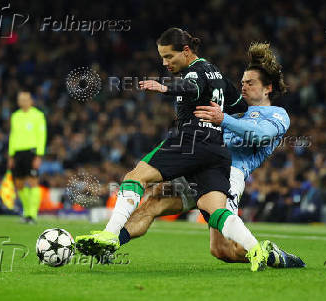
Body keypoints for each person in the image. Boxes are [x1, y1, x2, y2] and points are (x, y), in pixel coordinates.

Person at [76, 28, 273, 271]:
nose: (165, 62)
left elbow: (191, 87)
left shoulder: (196, 71)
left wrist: (165, 88)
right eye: (162, 57)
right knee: (214, 211)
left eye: (169, 56)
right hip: (216, 150)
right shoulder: (218, 75)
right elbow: (239, 105)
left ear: (187, 51)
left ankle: (109, 234)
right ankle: (256, 249)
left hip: (190, 140)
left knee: (135, 177)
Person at [104, 42, 305, 268]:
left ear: (268, 88)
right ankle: (108, 244)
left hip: (228, 175)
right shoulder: (231, 108)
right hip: (198, 166)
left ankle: (271, 255)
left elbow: (259, 136)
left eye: (250, 83)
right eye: (242, 83)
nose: (244, 87)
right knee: (153, 202)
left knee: (221, 250)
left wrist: (223, 120)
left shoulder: (277, 115)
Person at [8, 91, 46, 224]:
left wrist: (39, 155)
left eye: (25, 99)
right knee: (19, 185)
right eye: (21, 99)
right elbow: (12, 136)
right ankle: (27, 212)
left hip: (31, 152)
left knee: (33, 182)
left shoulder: (38, 115)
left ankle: (32, 215)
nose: (23, 102)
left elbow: (42, 136)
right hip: (18, 153)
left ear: (31, 101)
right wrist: (11, 155)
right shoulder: (15, 116)